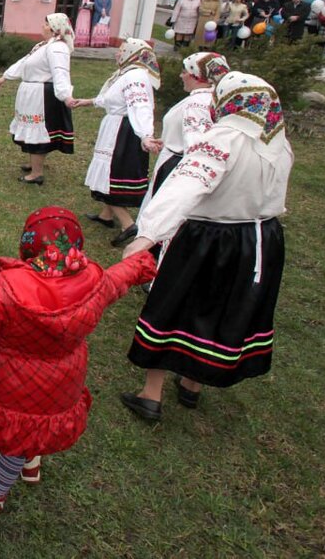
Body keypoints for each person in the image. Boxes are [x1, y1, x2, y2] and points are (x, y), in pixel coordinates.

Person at [0, 207, 156, 526]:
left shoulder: (8, 289)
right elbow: (121, 278)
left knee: (17, 437)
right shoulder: (94, 279)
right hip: (62, 379)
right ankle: (31, 465)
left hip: (12, 381)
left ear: (28, 245)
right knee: (39, 425)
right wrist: (141, 262)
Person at [120, 71, 293, 420]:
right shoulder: (278, 143)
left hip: (207, 237)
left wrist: (147, 235)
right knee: (222, 308)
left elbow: (186, 187)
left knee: (174, 305)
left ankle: (151, 393)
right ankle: (191, 384)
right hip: (259, 242)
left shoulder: (221, 139)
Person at [76, 38, 159, 247]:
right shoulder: (127, 73)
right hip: (116, 128)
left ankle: (128, 224)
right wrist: (89, 101)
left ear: (132, 53)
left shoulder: (135, 76)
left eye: (121, 50)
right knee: (107, 174)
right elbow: (112, 98)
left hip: (123, 134)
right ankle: (106, 215)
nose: (117, 53)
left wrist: (145, 134)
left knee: (111, 177)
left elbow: (140, 106)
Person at [137, 52, 230, 221]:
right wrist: (169, 141)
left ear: (197, 76)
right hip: (175, 157)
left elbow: (198, 145)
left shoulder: (197, 104)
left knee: (163, 216)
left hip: (178, 166)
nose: (181, 75)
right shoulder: (209, 99)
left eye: (185, 71)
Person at [0, 13, 77, 185]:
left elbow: (60, 72)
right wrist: (3, 78)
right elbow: (24, 63)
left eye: (46, 24)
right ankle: (34, 164)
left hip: (41, 95)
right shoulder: (43, 45)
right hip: (32, 93)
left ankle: (37, 173)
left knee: (38, 131)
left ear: (55, 29)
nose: (43, 26)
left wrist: (66, 96)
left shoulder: (57, 48)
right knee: (32, 129)